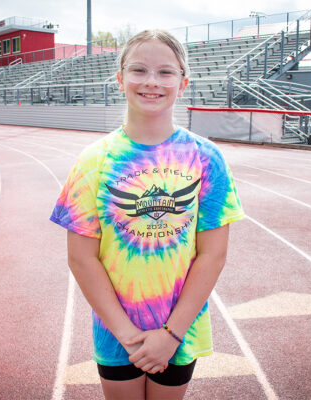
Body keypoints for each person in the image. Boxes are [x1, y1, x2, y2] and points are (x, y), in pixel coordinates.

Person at [50, 29, 244, 400]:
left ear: (183, 83)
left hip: (180, 332)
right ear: (120, 79)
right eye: (139, 70)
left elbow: (213, 255)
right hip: (117, 332)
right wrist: (127, 334)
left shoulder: (205, 158)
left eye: (165, 72)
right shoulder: (94, 160)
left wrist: (170, 335)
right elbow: (81, 257)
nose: (152, 82)